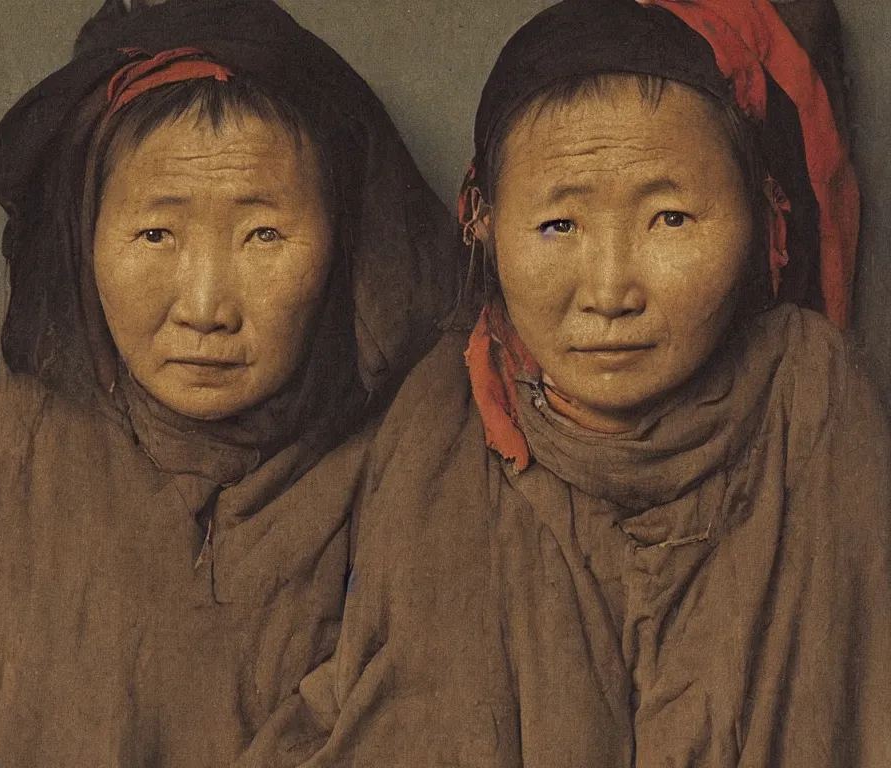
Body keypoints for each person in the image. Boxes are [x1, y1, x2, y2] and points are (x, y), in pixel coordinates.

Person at [242, 0, 891, 765]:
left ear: (761, 218)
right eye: (559, 226)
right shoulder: (442, 418)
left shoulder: (808, 397)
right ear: (481, 218)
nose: (610, 290)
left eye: (671, 219)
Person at [0, 0, 457, 763]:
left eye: (263, 234)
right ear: (86, 242)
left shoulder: (420, 464)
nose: (205, 306)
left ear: (342, 244)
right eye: (156, 233)